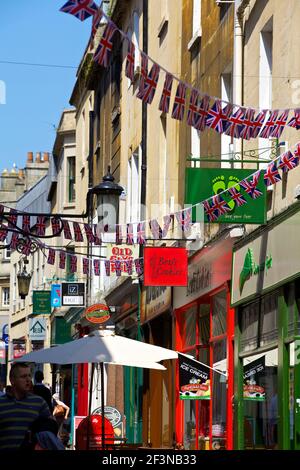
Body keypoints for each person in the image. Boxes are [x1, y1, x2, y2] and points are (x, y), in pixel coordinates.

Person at [0, 362, 51, 450]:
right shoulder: (1, 403)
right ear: (12, 380)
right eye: (23, 376)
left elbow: (51, 429)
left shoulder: (39, 402)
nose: (28, 379)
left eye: (29, 376)